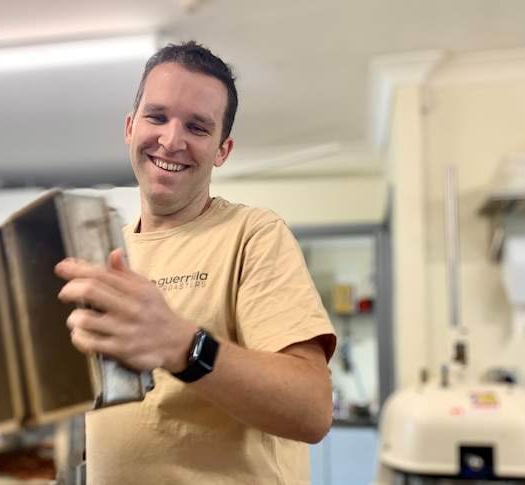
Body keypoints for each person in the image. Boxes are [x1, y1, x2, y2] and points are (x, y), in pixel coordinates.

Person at [55, 40, 336, 484]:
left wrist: (185, 346)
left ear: (222, 150)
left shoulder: (253, 235)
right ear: (130, 127)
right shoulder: (105, 256)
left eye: (198, 127)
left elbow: (312, 410)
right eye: (157, 116)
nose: (171, 140)